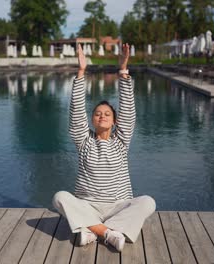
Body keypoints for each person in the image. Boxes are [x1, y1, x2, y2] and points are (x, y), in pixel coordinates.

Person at [52, 43, 156, 252]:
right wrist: (81, 71)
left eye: (107, 114)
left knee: (148, 202)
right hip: (87, 205)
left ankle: (91, 230)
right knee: (59, 198)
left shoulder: (121, 141)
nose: (102, 116)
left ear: (115, 121)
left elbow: (128, 111)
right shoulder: (84, 141)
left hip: (119, 206)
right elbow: (76, 112)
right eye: (97, 113)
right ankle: (108, 233)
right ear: (91, 120)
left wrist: (123, 70)